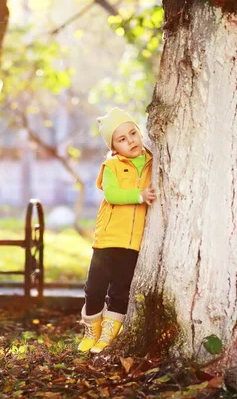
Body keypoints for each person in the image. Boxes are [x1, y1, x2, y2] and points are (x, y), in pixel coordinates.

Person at [78, 107, 156, 354]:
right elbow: (111, 194)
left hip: (133, 243)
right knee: (95, 287)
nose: (130, 140)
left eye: (132, 133)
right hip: (108, 239)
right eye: (122, 139)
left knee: (120, 291)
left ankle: (108, 337)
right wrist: (139, 195)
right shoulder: (112, 165)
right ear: (114, 147)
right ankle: (92, 331)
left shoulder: (154, 161)